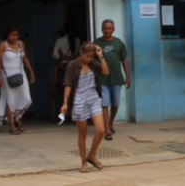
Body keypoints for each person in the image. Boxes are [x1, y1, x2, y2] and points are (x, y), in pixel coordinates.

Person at [60, 42, 110, 173]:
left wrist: (101, 56)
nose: (89, 59)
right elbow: (68, 84)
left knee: (100, 129)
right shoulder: (72, 65)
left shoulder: (93, 63)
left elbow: (105, 71)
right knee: (83, 132)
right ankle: (83, 160)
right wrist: (65, 102)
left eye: (91, 56)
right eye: (87, 56)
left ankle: (92, 155)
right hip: (79, 100)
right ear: (81, 53)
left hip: (93, 98)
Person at [92, 20, 130, 140]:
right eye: (105, 28)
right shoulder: (97, 43)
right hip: (102, 79)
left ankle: (111, 123)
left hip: (117, 78)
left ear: (113, 29)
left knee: (115, 103)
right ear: (101, 29)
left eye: (109, 28)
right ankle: (107, 129)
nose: (107, 31)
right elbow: (91, 60)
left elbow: (124, 60)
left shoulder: (118, 43)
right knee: (104, 104)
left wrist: (128, 76)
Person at [0, 26, 36, 133]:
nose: (14, 37)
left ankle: (18, 118)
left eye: (16, 35)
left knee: (26, 98)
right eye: (12, 35)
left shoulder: (21, 44)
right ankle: (12, 125)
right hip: (8, 75)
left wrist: (31, 71)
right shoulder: (2, 45)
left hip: (20, 73)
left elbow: (25, 58)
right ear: (7, 35)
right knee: (10, 100)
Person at [51, 29, 74, 122]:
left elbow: (54, 54)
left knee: (60, 92)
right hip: (73, 67)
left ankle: (57, 116)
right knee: (72, 92)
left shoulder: (60, 41)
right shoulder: (76, 41)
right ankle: (70, 115)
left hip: (63, 67)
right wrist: (71, 58)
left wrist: (62, 57)